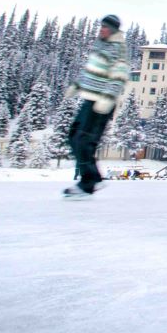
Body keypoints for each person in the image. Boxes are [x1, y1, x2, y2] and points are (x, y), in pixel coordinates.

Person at [62, 14, 130, 200]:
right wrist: (77, 85)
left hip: (102, 101)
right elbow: (90, 71)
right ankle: (93, 178)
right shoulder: (100, 46)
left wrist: (107, 99)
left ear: (114, 30)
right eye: (101, 26)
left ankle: (88, 183)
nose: (102, 30)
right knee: (74, 136)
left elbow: (120, 76)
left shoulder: (118, 49)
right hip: (89, 98)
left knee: (84, 140)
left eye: (106, 27)